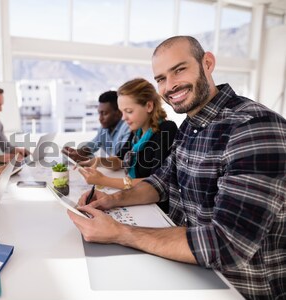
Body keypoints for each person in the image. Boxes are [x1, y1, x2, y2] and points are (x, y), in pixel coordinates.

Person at [68, 36, 285, 299]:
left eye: (179, 70)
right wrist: (110, 201)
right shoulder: (190, 126)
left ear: (207, 63)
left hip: (234, 287)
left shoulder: (253, 127)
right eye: (160, 78)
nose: (169, 86)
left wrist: (120, 232)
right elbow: (160, 183)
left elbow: (227, 245)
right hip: (189, 268)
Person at [77, 79, 177, 213]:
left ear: (149, 106)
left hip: (157, 208)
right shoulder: (138, 131)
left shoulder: (166, 130)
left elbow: (155, 183)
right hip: (139, 201)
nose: (123, 118)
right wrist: (98, 161)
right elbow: (119, 160)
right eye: (122, 111)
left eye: (129, 111)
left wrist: (104, 180)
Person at [63, 91, 131, 162]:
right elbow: (92, 145)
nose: (100, 118)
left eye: (104, 113)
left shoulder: (127, 127)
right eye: (99, 113)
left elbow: (120, 160)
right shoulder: (104, 128)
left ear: (119, 113)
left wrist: (88, 160)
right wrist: (79, 152)